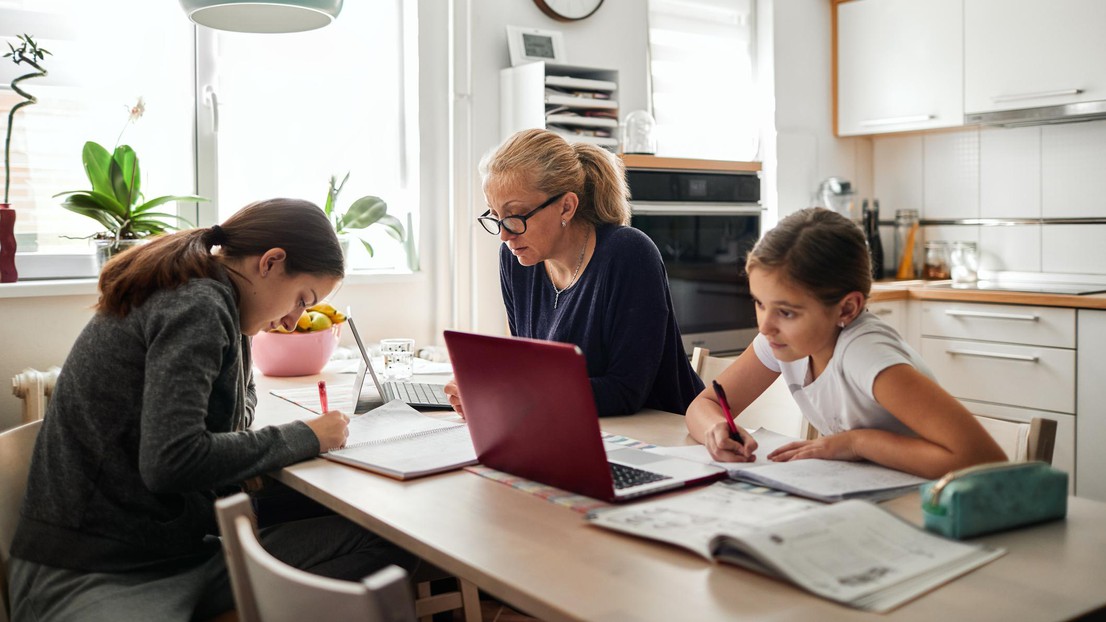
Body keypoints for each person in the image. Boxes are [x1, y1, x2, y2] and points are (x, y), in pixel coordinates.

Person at [8, 199, 416, 622]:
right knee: (378, 548)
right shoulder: (197, 305)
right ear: (272, 263)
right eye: (301, 299)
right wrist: (308, 436)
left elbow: (236, 410)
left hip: (172, 547)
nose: (294, 321)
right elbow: (172, 461)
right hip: (97, 569)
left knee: (391, 543)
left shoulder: (222, 302)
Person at [685, 207, 1006, 479]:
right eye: (759, 303)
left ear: (847, 309)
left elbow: (984, 460)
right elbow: (704, 405)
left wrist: (856, 443)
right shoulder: (782, 339)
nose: (765, 325)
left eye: (786, 311)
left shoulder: (866, 355)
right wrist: (715, 429)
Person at [444, 129, 703, 418]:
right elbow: (531, 370)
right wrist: (486, 388)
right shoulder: (516, 259)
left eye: (515, 216)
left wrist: (513, 394)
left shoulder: (629, 254)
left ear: (566, 206)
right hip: (574, 427)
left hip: (667, 436)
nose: (504, 234)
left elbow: (626, 391)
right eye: (495, 216)